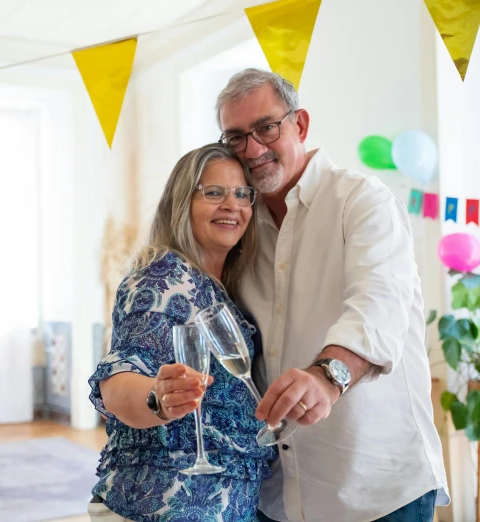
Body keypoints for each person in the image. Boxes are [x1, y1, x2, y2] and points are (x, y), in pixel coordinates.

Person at [214, 68, 449, 522]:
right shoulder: (240, 226)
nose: (253, 150)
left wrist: (327, 375)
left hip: (377, 489)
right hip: (276, 493)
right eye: (236, 137)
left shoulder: (363, 200)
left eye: (266, 128)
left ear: (299, 124)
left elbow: (378, 302)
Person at [86, 143, 276, 522]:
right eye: (213, 192)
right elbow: (118, 378)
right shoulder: (163, 277)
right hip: (161, 506)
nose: (231, 205)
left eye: (241, 193)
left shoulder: (221, 284)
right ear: (181, 202)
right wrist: (157, 398)